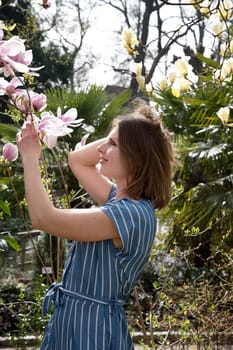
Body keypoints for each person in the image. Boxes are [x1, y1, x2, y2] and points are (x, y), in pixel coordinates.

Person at [17, 103, 176, 350]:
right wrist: (127, 129)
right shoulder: (122, 202)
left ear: (137, 156)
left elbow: (43, 218)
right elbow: (77, 160)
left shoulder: (130, 214)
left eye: (112, 144)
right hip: (73, 324)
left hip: (91, 333)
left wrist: (29, 157)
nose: (101, 148)